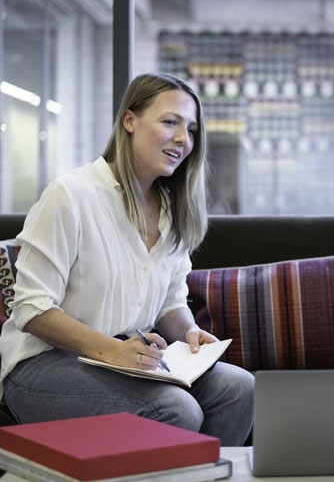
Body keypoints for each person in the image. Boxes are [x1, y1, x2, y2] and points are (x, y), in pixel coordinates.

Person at [0, 73, 254, 445]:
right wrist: (115, 351)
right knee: (175, 409)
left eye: (191, 130)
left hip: (127, 361)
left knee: (240, 389)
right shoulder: (70, 196)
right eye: (170, 122)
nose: (183, 139)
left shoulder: (172, 210)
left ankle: (194, 473)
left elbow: (170, 302)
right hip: (43, 364)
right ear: (129, 121)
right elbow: (31, 308)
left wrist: (188, 332)